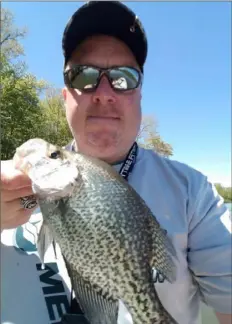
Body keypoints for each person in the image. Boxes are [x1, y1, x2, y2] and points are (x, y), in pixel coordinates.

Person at [1, 2, 231, 324]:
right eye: (84, 76)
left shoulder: (193, 193)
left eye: (123, 78)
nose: (104, 93)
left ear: (139, 96)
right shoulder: (22, 180)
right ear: (66, 96)